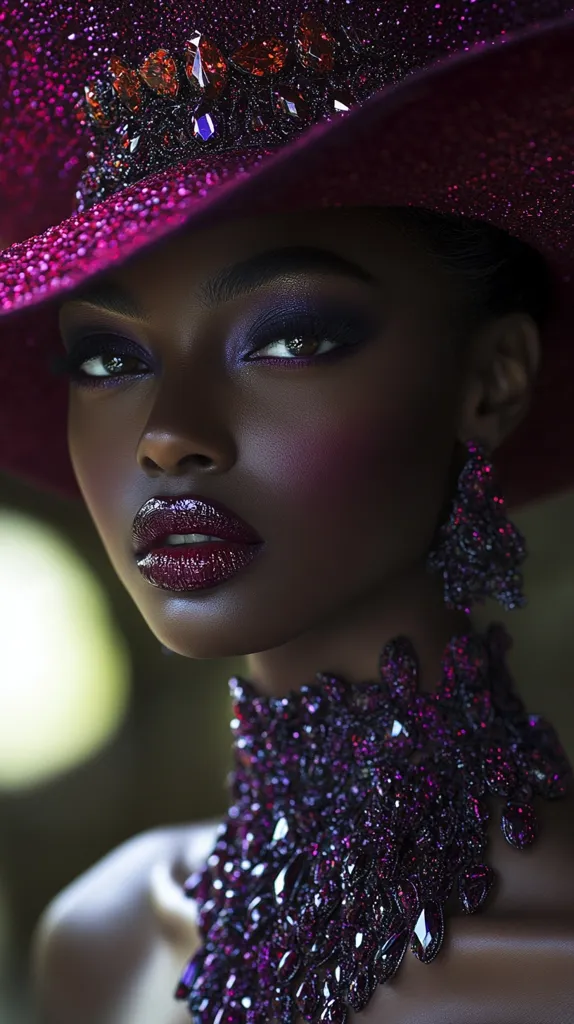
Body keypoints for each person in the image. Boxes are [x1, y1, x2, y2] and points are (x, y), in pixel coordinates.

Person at [1, 1, 574, 1022]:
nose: (167, 434)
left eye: (292, 338)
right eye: (108, 358)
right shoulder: (104, 939)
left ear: (490, 382)